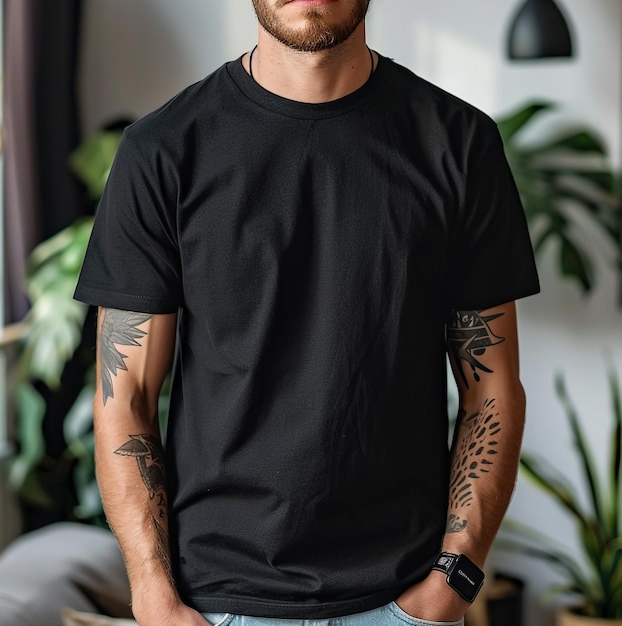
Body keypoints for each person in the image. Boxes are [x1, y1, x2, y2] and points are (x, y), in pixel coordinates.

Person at [74, 1, 540, 625]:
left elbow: (493, 389)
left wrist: (453, 577)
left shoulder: (458, 143)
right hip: (219, 601)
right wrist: (154, 594)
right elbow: (123, 390)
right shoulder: (162, 151)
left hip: (403, 600)